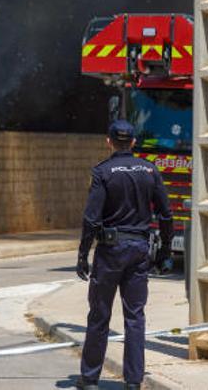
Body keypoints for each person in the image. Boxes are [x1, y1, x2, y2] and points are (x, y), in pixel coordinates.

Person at [76, 120, 173, 390]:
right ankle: (133, 381)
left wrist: (83, 254)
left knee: (99, 315)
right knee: (135, 317)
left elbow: (91, 218)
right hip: (139, 251)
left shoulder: (103, 172)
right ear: (133, 142)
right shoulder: (150, 171)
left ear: (108, 141)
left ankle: (90, 378)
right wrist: (166, 251)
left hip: (110, 252)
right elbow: (166, 214)